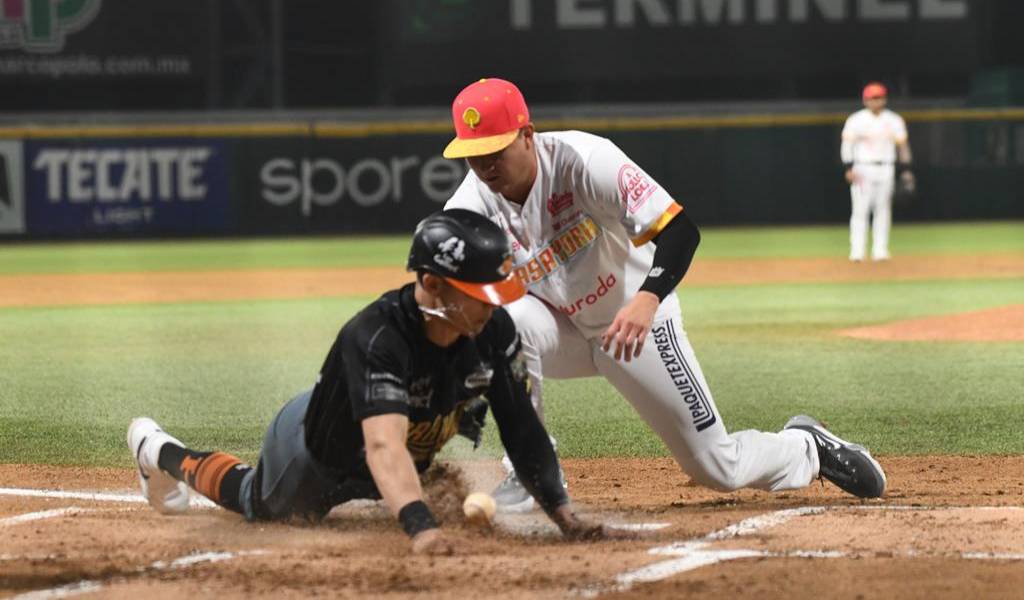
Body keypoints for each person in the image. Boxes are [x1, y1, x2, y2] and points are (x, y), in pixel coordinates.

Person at [441, 77, 887, 512]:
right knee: (499, 325)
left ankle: (806, 448)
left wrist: (649, 297)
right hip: (562, 331)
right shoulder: (466, 209)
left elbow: (680, 232)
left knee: (717, 467)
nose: (485, 165)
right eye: (473, 155)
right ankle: (531, 466)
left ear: (527, 136)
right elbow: (451, 303)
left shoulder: (585, 160)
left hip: (635, 322)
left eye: (494, 150)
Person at [127, 209, 625, 555]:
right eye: (478, 294)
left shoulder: (492, 331)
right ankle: (157, 450)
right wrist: (421, 528)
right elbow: (383, 444)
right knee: (258, 503)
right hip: (316, 456)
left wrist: (564, 515)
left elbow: (522, 428)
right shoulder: (376, 337)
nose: (492, 306)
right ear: (432, 284)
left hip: (391, 444)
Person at [841, 82, 915, 262]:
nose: (876, 101)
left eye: (879, 97)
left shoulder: (894, 119)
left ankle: (880, 250)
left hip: (886, 167)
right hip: (862, 167)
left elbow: (903, 146)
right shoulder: (856, 120)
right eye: (872, 98)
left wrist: (906, 169)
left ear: (885, 99)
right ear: (865, 100)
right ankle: (857, 251)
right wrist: (848, 167)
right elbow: (847, 145)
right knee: (860, 210)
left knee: (883, 210)